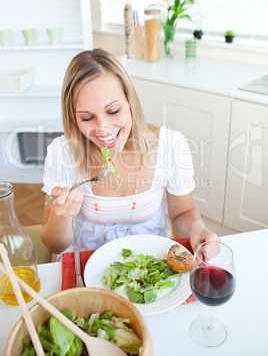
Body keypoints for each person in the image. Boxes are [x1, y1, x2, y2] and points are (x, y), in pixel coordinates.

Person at [41, 48, 219, 256]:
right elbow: (54, 246)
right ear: (73, 117)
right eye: (87, 118)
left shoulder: (170, 145)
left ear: (130, 101)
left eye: (113, 111)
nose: (103, 128)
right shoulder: (62, 154)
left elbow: (182, 213)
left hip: (153, 263)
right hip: (88, 263)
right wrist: (62, 215)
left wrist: (198, 226)